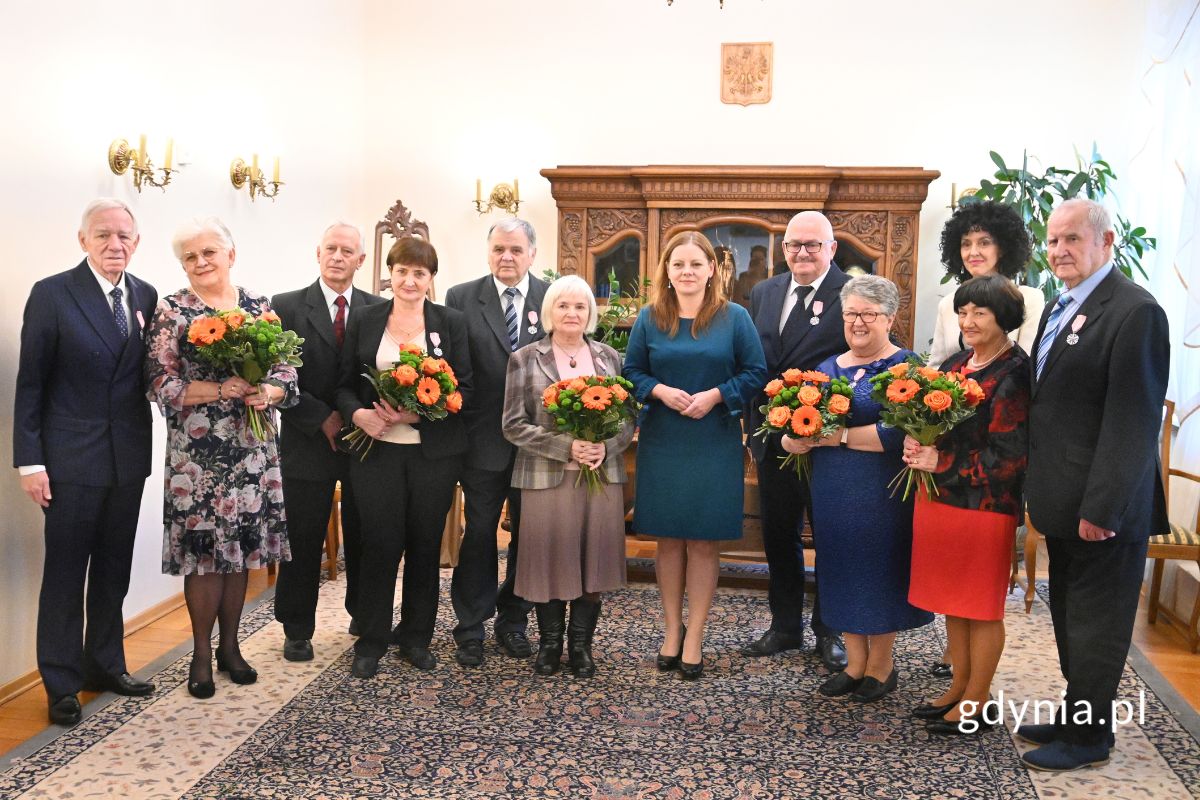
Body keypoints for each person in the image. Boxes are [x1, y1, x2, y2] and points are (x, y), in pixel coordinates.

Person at [1018, 199, 1169, 771]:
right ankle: (1078, 716)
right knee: (1069, 616)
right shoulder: (1063, 305)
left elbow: (1133, 421)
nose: (1059, 250)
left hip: (1102, 507)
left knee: (1096, 625)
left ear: (1106, 242)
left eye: (1072, 239)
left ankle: (1089, 740)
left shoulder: (1135, 312)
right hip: (1063, 498)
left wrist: (1103, 508)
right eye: (1053, 240)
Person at [14, 198, 159, 726]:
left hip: (127, 458)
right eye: (103, 235)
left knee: (114, 570)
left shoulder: (146, 294)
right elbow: (31, 384)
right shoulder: (52, 294)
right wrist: (31, 463)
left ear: (136, 242)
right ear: (83, 241)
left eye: (124, 236)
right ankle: (60, 682)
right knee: (65, 575)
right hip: (70, 461)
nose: (114, 245)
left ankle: (105, 664)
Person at [145, 217, 297, 699]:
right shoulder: (173, 310)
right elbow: (158, 382)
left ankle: (231, 648)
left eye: (209, 252)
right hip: (198, 461)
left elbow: (286, 372)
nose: (201, 262)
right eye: (190, 256)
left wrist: (268, 391)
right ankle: (200, 655)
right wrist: (218, 388)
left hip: (253, 453)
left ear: (231, 255)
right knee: (205, 557)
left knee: (240, 551)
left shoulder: (257, 307)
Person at [624, 231, 767, 680]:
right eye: (678, 264)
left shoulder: (734, 317)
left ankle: (696, 635)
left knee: (703, 541)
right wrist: (659, 391)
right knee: (668, 539)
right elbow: (631, 371)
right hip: (664, 438)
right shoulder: (650, 317)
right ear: (666, 271)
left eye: (695, 264)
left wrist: (716, 395)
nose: (687, 271)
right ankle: (672, 630)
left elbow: (756, 372)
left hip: (713, 436)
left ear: (712, 270)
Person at [783, 275, 933, 702]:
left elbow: (898, 432)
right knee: (841, 567)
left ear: (890, 317)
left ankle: (881, 667)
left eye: (869, 313)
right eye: (851, 313)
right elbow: (796, 427)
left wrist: (841, 437)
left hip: (881, 491)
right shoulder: (826, 368)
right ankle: (854, 664)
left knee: (878, 568)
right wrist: (793, 439)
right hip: (832, 489)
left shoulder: (906, 367)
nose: (858, 322)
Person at [335, 237, 473, 678]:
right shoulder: (365, 319)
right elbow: (342, 384)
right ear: (389, 274)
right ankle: (371, 640)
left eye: (419, 273)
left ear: (431, 279)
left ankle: (416, 638)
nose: (409, 281)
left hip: (433, 455)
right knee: (378, 545)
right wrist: (358, 414)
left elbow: (466, 389)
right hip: (375, 453)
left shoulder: (451, 322)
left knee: (424, 546)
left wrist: (416, 413)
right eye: (401, 271)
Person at [903, 275, 1030, 734]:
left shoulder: (1014, 372)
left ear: (1004, 318)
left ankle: (978, 701)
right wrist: (917, 442)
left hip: (985, 507)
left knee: (981, 606)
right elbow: (935, 425)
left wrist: (940, 460)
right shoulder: (957, 363)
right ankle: (959, 687)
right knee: (953, 601)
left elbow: (1009, 458)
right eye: (962, 312)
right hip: (941, 499)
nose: (968, 321)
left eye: (979, 312)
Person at [501, 276, 635, 678]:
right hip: (546, 477)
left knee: (591, 561)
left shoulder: (609, 357)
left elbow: (628, 419)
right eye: (563, 305)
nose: (571, 313)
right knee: (549, 561)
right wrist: (567, 447)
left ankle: (580, 647)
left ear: (590, 313)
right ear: (549, 311)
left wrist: (605, 446)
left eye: (580, 306)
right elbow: (512, 424)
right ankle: (550, 645)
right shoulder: (525, 358)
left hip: (600, 475)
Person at [742, 211, 849, 672]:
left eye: (812, 244)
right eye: (793, 245)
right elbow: (753, 360)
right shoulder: (764, 292)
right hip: (772, 438)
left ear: (832, 249)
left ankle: (830, 630)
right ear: (783, 249)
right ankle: (785, 625)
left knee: (829, 536)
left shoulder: (851, 292)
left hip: (824, 440)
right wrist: (753, 427)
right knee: (778, 534)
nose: (802, 253)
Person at [272, 222, 384, 661]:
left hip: (364, 440)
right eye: (331, 248)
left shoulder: (378, 309)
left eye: (347, 251)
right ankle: (296, 627)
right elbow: (275, 376)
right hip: (306, 440)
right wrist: (320, 417)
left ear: (361, 260)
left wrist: (355, 414)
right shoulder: (285, 306)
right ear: (317, 253)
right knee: (302, 538)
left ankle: (363, 614)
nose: (338, 256)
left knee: (365, 534)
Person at [444, 219, 549, 667]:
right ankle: (470, 626)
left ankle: (513, 621)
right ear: (488, 252)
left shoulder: (551, 297)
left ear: (532, 254)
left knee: (529, 535)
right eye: (499, 249)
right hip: (481, 439)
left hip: (537, 445)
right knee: (480, 532)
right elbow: (452, 368)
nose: (507, 257)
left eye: (516, 249)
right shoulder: (461, 297)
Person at [928, 201, 1042, 368]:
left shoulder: (1029, 299)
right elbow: (936, 367)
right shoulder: (947, 304)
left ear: (1002, 248)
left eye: (984, 242)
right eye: (966, 244)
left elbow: (1028, 365)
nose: (973, 252)